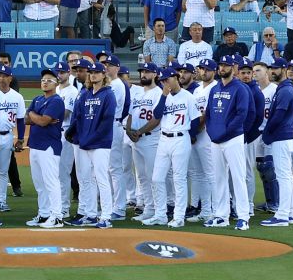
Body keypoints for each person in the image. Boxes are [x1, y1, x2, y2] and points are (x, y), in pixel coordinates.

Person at [203, 54, 255, 231]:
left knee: (238, 177)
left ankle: (243, 216)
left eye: (226, 65)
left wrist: (225, 132)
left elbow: (242, 114)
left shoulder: (240, 89)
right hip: (216, 140)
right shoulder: (214, 88)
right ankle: (221, 215)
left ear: (234, 69)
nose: (222, 68)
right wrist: (211, 132)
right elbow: (208, 114)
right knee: (218, 177)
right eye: (221, 65)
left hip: (233, 139)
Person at [147, 66, 199, 228]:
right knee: (156, 178)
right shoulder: (163, 96)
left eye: (167, 79)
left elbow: (196, 120)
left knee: (179, 179)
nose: (164, 83)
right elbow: (156, 115)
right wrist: (163, 96)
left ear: (175, 78)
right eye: (162, 81)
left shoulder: (188, 97)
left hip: (180, 138)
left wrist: (191, 137)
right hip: (164, 138)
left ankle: (178, 216)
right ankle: (160, 215)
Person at [66, 60, 116, 229]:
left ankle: (107, 216)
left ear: (104, 75)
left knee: (101, 178)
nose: (93, 75)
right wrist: (73, 133)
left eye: (97, 72)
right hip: (84, 142)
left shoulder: (108, 94)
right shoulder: (86, 94)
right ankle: (91, 214)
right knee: (86, 179)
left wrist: (90, 138)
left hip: (100, 143)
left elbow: (107, 121)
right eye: (91, 72)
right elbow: (78, 117)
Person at [0, 64, 26, 214]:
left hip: (7, 136)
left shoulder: (17, 97)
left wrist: (20, 138)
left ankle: (0, 200)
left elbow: (20, 119)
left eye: (4, 75)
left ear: (10, 78)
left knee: (2, 171)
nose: (1, 78)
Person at [24, 68, 65, 229]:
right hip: (35, 144)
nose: (45, 82)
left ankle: (57, 216)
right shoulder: (38, 99)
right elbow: (27, 119)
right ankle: (44, 214)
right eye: (43, 80)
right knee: (40, 184)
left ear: (56, 83)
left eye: (49, 80)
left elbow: (42, 121)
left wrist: (34, 115)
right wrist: (36, 116)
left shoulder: (56, 101)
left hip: (49, 146)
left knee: (51, 182)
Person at [259, 58, 293, 227]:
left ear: (284, 69)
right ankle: (289, 213)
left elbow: (278, 116)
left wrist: (268, 133)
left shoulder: (285, 91)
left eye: (276, 68)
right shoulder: (283, 89)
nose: (272, 71)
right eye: (271, 68)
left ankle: (282, 215)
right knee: (286, 176)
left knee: (283, 176)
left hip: (281, 137)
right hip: (283, 137)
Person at [125, 63, 163, 224]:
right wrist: (128, 130)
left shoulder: (158, 93)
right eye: (142, 72)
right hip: (136, 140)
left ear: (155, 74)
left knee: (153, 176)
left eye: (147, 72)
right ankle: (148, 209)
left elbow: (157, 118)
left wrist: (138, 132)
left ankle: (158, 210)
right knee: (141, 177)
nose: (143, 75)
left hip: (151, 138)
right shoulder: (138, 94)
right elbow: (130, 115)